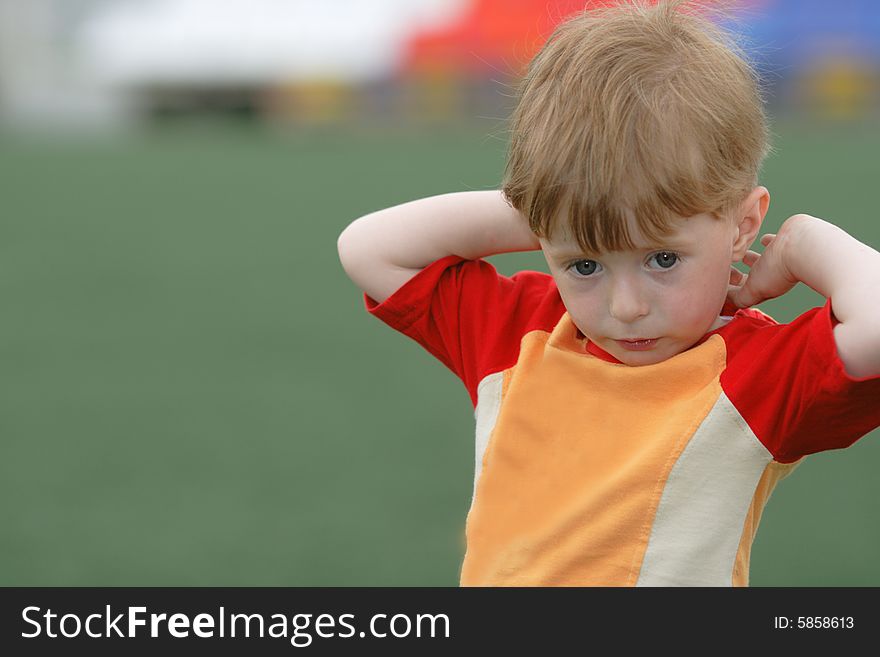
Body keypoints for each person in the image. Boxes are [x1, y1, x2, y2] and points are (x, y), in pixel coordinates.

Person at [336, 0, 880, 586]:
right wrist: (551, 206)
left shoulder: (759, 373)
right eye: (585, 265)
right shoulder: (520, 334)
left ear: (744, 225)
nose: (626, 308)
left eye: (663, 259)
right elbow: (369, 249)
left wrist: (806, 243)